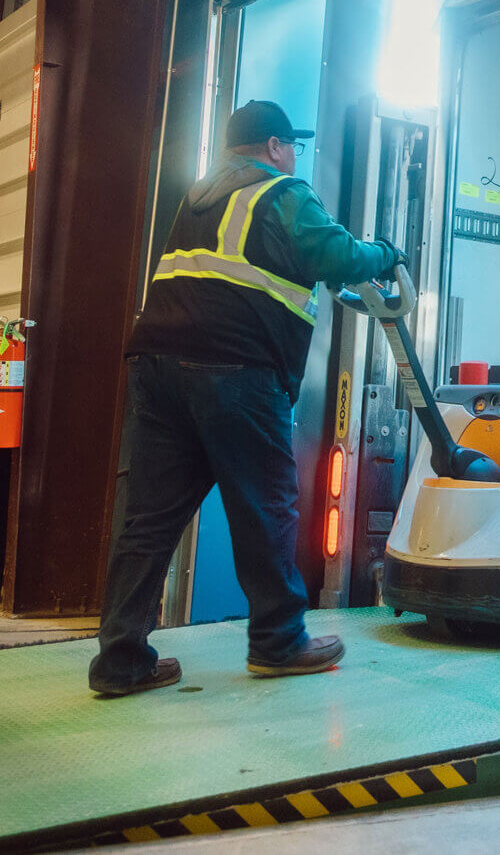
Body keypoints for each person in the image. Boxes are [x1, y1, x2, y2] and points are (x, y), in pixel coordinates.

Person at [89, 100, 405, 696]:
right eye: (292, 147)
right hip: (235, 369)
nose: (293, 157)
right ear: (275, 146)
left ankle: (120, 660)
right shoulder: (281, 192)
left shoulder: (198, 197)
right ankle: (279, 643)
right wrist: (388, 253)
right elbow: (337, 256)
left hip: (157, 367)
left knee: (149, 521)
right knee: (266, 508)